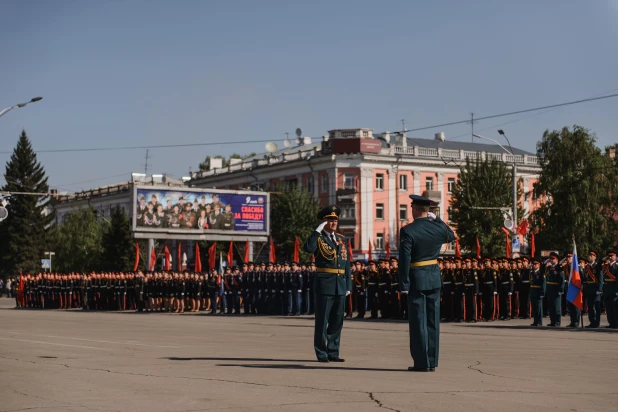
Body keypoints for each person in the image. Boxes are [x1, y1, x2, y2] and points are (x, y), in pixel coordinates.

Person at [398, 194, 455, 372]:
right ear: (428, 211)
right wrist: (437, 219)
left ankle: (421, 362)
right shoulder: (437, 229)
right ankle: (432, 361)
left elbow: (405, 260)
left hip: (417, 278)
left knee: (418, 321)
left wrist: (404, 284)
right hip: (434, 276)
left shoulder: (408, 230)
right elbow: (451, 235)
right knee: (432, 321)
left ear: (414, 209)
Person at [303, 205, 351, 363]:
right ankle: (321, 353)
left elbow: (347, 264)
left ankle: (333, 351)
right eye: (330, 220)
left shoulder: (342, 239)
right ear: (324, 222)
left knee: (337, 321)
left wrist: (348, 286)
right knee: (322, 321)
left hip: (340, 284)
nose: (334, 223)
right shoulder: (318, 239)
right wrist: (317, 231)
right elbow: (308, 248)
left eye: (335, 220)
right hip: (325, 285)